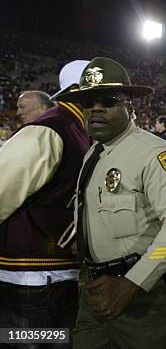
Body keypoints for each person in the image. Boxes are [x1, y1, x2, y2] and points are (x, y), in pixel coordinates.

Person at [55, 57, 166, 349]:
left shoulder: (153, 153)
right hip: (97, 288)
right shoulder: (92, 154)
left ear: (130, 107)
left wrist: (133, 281)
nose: (95, 108)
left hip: (145, 295)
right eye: (88, 101)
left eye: (107, 100)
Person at [0, 60, 90, 348]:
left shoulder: (65, 128)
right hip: (37, 271)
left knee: (43, 341)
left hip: (41, 271)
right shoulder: (59, 129)